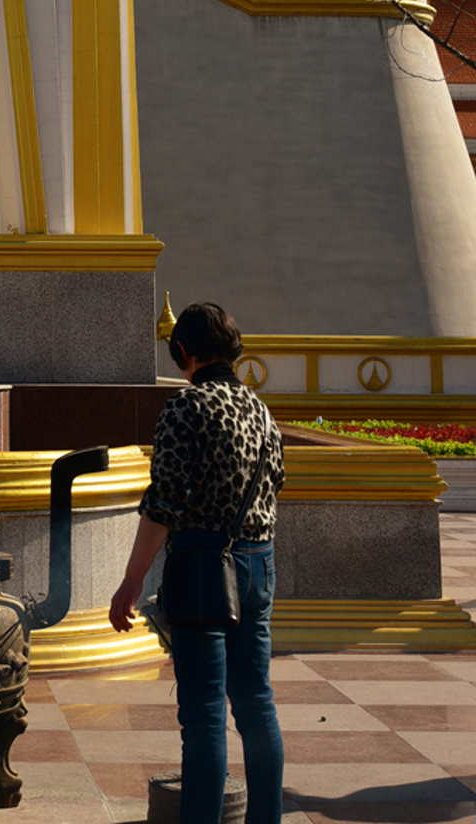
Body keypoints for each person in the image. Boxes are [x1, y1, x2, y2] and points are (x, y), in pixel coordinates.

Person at [110, 302, 285, 824]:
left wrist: (131, 581)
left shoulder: (187, 407)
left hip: (204, 568)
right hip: (258, 563)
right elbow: (276, 483)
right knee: (256, 704)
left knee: (206, 714)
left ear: (181, 352)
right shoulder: (259, 409)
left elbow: (164, 502)